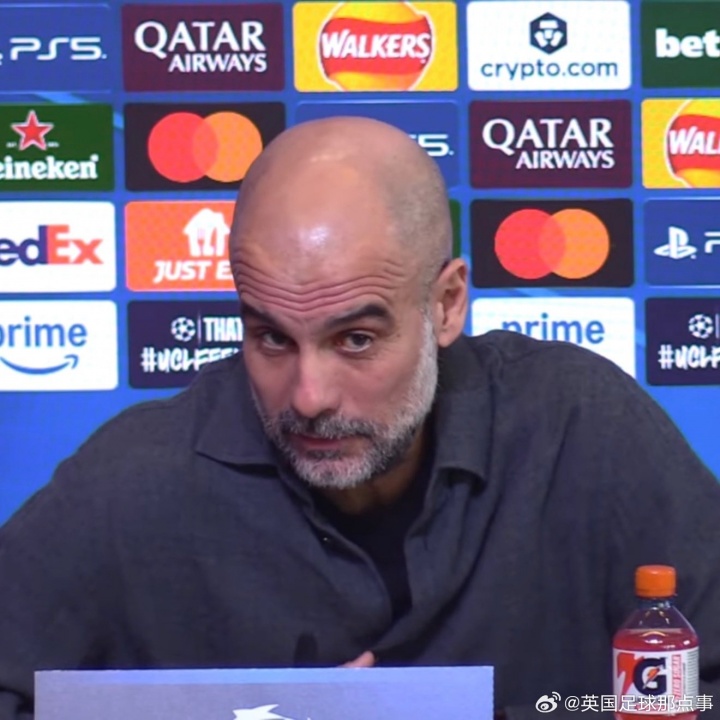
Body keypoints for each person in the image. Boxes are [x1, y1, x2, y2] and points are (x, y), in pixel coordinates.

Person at [0, 117, 719, 720]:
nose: (308, 396)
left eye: (355, 339)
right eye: (271, 337)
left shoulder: (580, 430)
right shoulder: (136, 481)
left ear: (446, 305)